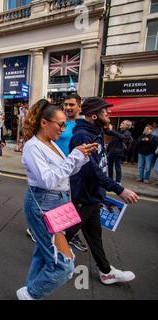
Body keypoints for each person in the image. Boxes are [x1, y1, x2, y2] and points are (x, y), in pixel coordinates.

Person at [16, 99, 98, 300]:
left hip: (59, 203)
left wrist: (82, 156)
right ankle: (30, 293)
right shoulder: (32, 146)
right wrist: (73, 157)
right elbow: (48, 180)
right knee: (64, 265)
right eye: (60, 124)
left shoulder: (51, 144)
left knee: (43, 255)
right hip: (43, 204)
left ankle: (29, 291)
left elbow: (64, 174)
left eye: (65, 124)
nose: (63, 128)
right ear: (44, 122)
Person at [66, 97, 139, 285]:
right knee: (65, 233)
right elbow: (91, 171)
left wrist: (115, 132)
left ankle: (106, 272)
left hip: (92, 196)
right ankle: (46, 266)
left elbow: (111, 137)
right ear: (93, 115)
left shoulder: (96, 131)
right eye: (105, 112)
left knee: (94, 237)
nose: (109, 114)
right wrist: (119, 189)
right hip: (84, 195)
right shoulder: (83, 136)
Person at [46, 93, 88, 252]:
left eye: (71, 105)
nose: (68, 108)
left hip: (76, 169)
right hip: (57, 169)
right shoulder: (59, 122)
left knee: (71, 204)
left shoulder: (82, 125)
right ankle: (54, 232)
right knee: (56, 203)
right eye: (66, 105)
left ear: (79, 106)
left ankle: (66, 233)